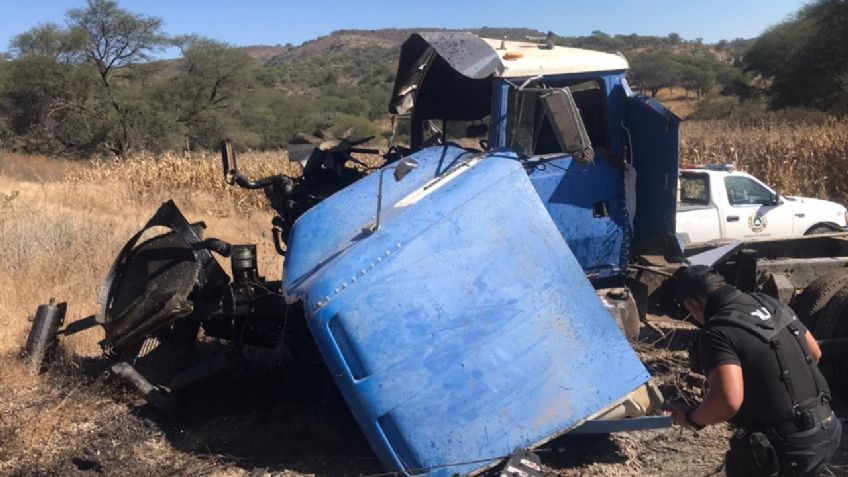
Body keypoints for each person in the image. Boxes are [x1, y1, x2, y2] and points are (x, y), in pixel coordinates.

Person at [670, 264, 841, 477]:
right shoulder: (768, 302)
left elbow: (727, 402)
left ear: (693, 303)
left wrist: (692, 418)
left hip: (788, 449)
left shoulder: (717, 332)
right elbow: (814, 353)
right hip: (828, 429)